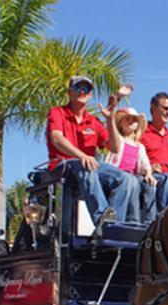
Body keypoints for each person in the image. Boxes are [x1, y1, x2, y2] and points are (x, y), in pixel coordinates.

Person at [46, 76, 139, 225]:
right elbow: (56, 138)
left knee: (126, 179)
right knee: (87, 165)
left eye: (87, 89)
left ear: (90, 95)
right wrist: (82, 156)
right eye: (78, 88)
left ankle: (113, 226)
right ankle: (103, 219)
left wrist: (110, 119)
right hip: (62, 167)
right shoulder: (57, 112)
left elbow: (114, 148)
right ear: (69, 92)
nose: (83, 92)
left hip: (89, 169)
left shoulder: (93, 121)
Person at [105, 104, 157, 223]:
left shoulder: (139, 146)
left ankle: (150, 221)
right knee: (131, 181)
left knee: (150, 185)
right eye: (127, 119)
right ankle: (132, 219)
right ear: (120, 123)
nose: (130, 121)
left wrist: (149, 174)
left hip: (134, 176)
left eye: (134, 120)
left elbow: (145, 163)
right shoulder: (118, 139)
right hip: (117, 175)